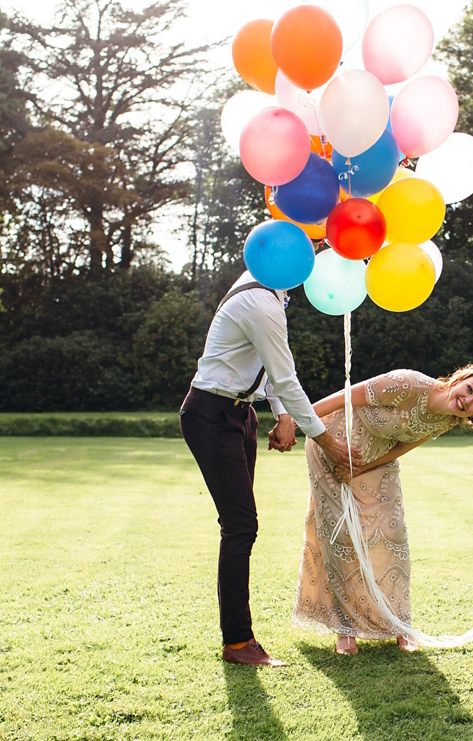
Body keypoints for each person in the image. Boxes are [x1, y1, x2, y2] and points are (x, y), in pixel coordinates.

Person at [181, 271, 360, 667]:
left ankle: (238, 639)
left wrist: (281, 415)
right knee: (241, 527)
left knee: (240, 527)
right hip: (211, 414)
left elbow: (270, 363)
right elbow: (286, 377)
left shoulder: (270, 291)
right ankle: (238, 642)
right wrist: (324, 438)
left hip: (240, 413)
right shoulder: (260, 301)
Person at [292, 364, 473, 655]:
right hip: (332, 443)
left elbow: (401, 449)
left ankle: (399, 626)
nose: (467, 401)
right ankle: (346, 630)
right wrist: (293, 422)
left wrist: (363, 469)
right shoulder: (407, 383)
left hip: (376, 460)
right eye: (469, 390)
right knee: (341, 536)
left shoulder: (448, 418)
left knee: (393, 536)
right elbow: (342, 398)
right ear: (460, 378)